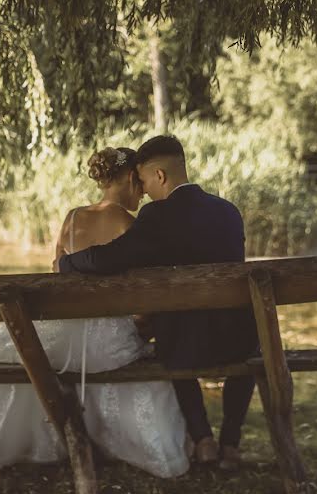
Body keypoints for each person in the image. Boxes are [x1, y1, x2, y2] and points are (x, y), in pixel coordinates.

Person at [0, 147, 189, 478]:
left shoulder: (72, 219)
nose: (142, 194)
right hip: (106, 347)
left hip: (58, 339)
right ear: (130, 178)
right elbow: (142, 297)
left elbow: (58, 274)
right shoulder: (129, 224)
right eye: (140, 186)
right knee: (134, 352)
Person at [59, 135, 259, 471]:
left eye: (145, 181)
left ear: (160, 176)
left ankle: (203, 440)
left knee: (171, 338)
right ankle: (231, 444)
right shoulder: (228, 212)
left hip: (182, 347)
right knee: (252, 345)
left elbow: (109, 259)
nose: (143, 190)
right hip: (237, 341)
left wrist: (67, 263)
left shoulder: (156, 217)